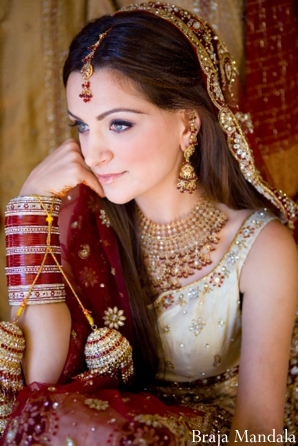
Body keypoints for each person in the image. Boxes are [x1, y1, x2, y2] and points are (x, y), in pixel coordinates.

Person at [1, 2, 297, 445]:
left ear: (187, 122)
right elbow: (39, 390)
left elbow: (260, 426)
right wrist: (28, 213)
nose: (93, 153)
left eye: (118, 124)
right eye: (81, 126)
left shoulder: (261, 247)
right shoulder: (83, 225)